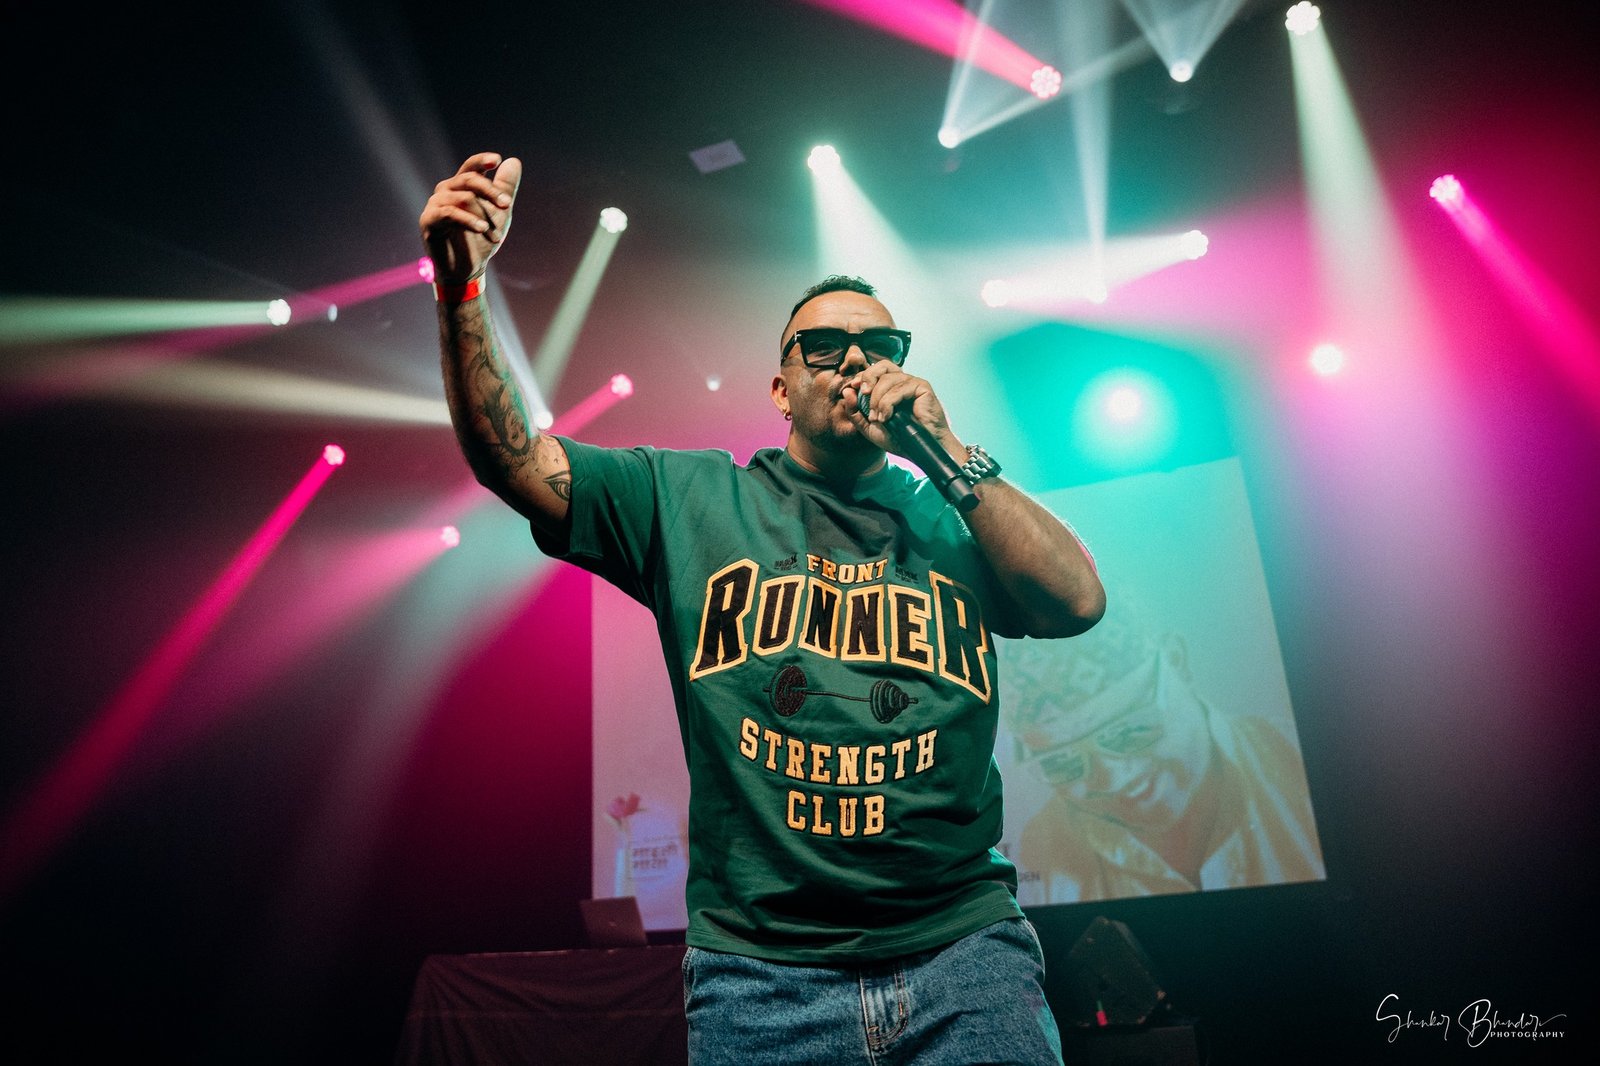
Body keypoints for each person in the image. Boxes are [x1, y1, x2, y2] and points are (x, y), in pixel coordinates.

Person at [421, 151, 1107, 1066]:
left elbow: (1078, 601)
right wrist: (461, 291)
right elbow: (514, 459)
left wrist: (944, 449)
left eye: (881, 345)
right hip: (760, 980)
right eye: (823, 346)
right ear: (780, 390)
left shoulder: (957, 517)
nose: (856, 358)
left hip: (963, 955)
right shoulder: (688, 499)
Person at [1001, 604, 1325, 904]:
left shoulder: (1313, 772)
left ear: (1176, 661)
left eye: (1130, 732)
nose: (1111, 780)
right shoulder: (1034, 854)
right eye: (1062, 763)